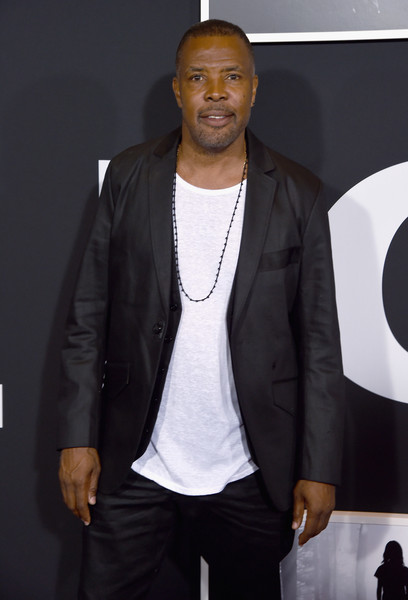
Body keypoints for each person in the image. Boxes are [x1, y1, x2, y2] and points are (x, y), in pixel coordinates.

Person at [58, 19, 345, 600]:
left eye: (232, 77)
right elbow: (88, 315)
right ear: (178, 89)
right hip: (135, 462)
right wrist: (75, 437)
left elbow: (319, 344)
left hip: (250, 469)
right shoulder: (128, 176)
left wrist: (319, 468)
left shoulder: (299, 193)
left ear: (253, 89)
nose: (216, 93)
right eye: (198, 78)